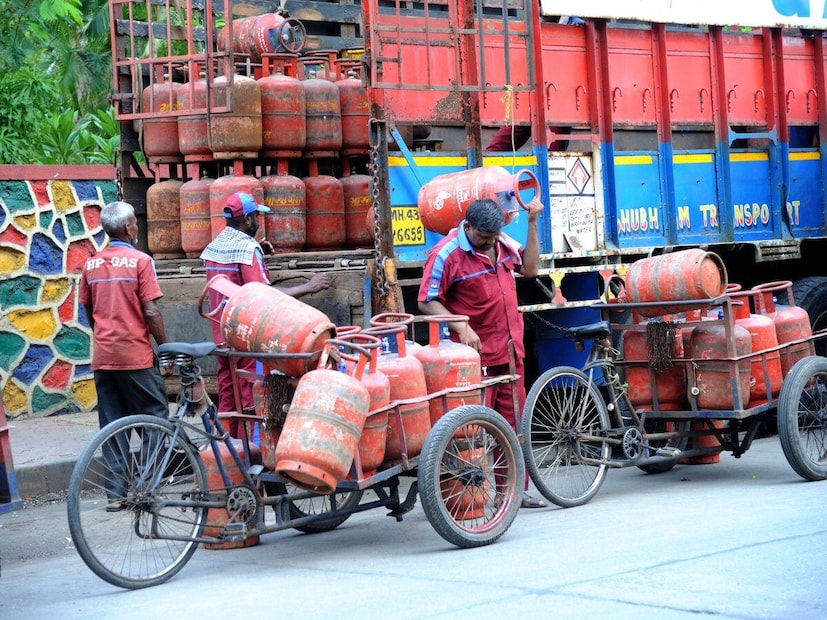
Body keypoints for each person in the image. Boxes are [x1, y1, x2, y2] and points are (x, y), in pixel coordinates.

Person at [417, 196, 546, 508]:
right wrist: (461, 325)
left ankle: (514, 493)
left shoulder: (501, 242)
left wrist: (531, 224)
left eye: (493, 237)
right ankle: (464, 499)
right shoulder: (446, 254)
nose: (489, 243)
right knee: (470, 432)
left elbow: (530, 270)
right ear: (468, 226)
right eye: (483, 238)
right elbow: (426, 299)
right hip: (473, 361)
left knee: (513, 426)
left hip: (511, 351)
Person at [200, 191, 331, 438]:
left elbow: (231, 277)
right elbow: (264, 299)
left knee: (228, 401)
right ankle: (256, 456)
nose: (259, 222)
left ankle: (228, 456)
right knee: (253, 400)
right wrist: (309, 286)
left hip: (222, 336)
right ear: (247, 220)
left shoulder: (214, 247)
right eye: (257, 216)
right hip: (246, 339)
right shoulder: (247, 250)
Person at [79, 201, 169, 512]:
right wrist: (165, 347)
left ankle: (116, 495)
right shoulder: (141, 261)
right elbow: (151, 310)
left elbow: (88, 310)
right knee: (156, 419)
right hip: (136, 356)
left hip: (104, 358)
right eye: (135, 223)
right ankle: (147, 488)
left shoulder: (90, 265)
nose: (137, 228)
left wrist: (104, 335)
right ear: (129, 228)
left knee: (112, 426)